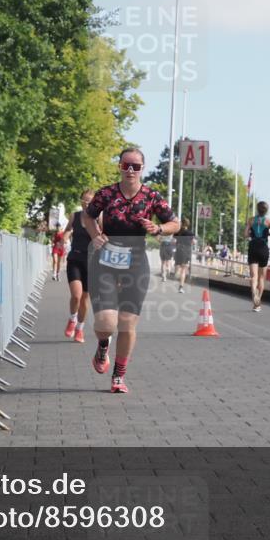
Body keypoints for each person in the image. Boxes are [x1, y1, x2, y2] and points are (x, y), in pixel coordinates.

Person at [81, 147, 179, 393]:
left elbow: (175, 223)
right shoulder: (106, 194)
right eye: (126, 165)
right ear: (120, 167)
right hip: (105, 260)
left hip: (135, 262)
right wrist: (95, 235)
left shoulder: (151, 196)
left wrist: (158, 229)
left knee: (126, 322)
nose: (131, 170)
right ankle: (103, 345)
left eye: (136, 166)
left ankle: (119, 376)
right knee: (106, 323)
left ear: (142, 169)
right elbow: (88, 216)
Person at [62, 189, 95, 342]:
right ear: (81, 201)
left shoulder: (99, 218)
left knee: (84, 299)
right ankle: (72, 319)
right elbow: (68, 229)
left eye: (90, 202)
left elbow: (105, 235)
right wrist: (64, 238)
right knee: (76, 295)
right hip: (75, 258)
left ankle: (80, 329)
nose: (86, 204)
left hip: (91, 262)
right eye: (84, 201)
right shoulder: (74, 216)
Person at [245, 201, 270, 311]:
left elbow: (245, 234)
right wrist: (268, 233)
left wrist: (252, 233)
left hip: (253, 247)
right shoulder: (269, 221)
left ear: (257, 209)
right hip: (263, 248)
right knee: (262, 278)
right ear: (266, 211)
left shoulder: (251, 220)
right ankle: (257, 303)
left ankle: (254, 292)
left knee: (253, 276)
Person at [174, 217, 195, 293]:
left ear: (182, 223)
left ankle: (177, 273)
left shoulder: (177, 232)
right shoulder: (190, 233)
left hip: (178, 250)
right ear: (188, 224)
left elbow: (174, 241)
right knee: (184, 269)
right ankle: (181, 287)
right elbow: (193, 242)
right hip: (186, 251)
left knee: (178, 265)